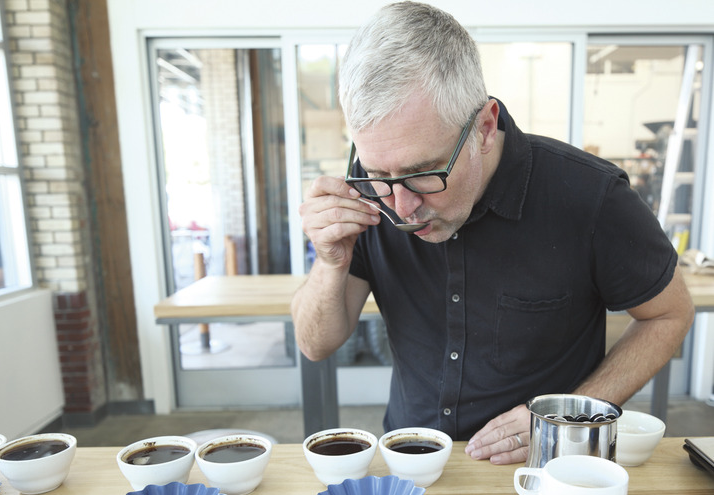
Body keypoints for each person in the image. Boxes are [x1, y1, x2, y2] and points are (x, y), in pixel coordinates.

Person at [291, 2, 695, 465]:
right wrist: (331, 262)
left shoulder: (591, 196)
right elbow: (314, 343)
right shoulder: (371, 199)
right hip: (407, 463)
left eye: (424, 173)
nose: (400, 209)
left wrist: (566, 417)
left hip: (546, 469)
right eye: (378, 172)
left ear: (484, 126)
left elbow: (669, 314)